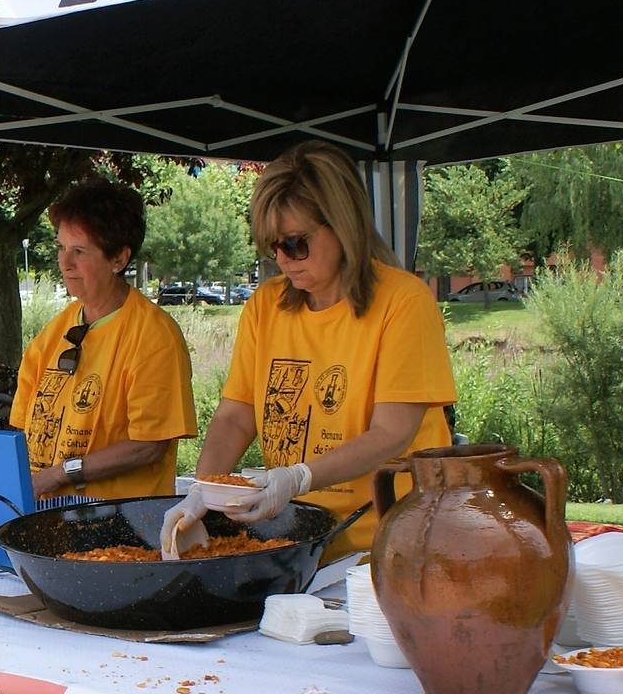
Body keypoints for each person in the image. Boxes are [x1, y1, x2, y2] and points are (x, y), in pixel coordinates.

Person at [188, 141, 455, 560]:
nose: (284, 260)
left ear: (343, 225)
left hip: (390, 545)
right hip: (298, 541)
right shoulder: (267, 304)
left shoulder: (403, 301)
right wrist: (205, 489)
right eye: (273, 247)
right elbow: (236, 414)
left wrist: (299, 477)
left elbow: (392, 432)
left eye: (296, 244)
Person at [12, 181, 196, 502]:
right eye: (61, 247)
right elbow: (21, 428)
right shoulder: (52, 333)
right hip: (46, 521)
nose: (65, 262)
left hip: (120, 529)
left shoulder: (154, 336)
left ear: (118, 258)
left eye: (79, 251)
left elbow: (148, 447)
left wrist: (59, 474)